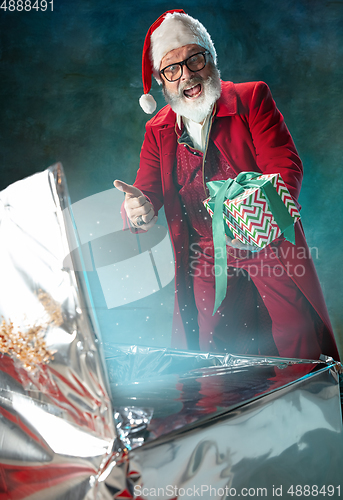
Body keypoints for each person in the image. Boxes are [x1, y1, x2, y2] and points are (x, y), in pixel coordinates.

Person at [114, 9, 340, 361]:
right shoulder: (157, 130)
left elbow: (285, 165)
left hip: (267, 241)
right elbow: (146, 193)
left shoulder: (252, 98)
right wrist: (138, 210)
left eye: (195, 59)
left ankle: (307, 406)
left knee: (296, 334)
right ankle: (224, 411)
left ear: (211, 60)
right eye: (173, 69)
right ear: (162, 82)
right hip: (204, 252)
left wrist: (258, 222)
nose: (187, 74)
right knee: (210, 344)